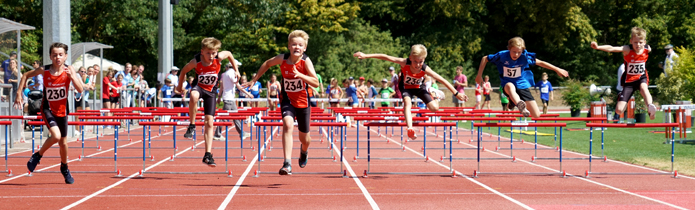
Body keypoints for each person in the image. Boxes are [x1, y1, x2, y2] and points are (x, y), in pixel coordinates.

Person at [353, 44, 468, 140]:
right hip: (406, 88)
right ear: (410, 58)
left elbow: (441, 79)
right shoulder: (404, 62)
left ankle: (434, 94)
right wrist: (366, 55)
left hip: (419, 88)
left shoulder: (425, 68)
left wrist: (457, 93)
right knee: (407, 103)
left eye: (421, 62)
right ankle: (410, 128)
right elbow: (386, 57)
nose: (418, 65)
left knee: (434, 108)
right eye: (415, 62)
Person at [245, 30, 319, 175]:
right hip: (287, 100)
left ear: (304, 48)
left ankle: (304, 151)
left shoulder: (306, 61)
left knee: (304, 138)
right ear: (289, 46)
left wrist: (301, 75)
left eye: (300, 45)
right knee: (287, 124)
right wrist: (255, 79)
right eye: (294, 44)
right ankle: (287, 163)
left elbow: (315, 82)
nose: (297, 47)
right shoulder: (282, 59)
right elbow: (267, 64)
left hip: (303, 102)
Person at [15, 42, 84, 184]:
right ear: (50, 56)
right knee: (56, 136)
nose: (57, 57)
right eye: (54, 55)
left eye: (60, 55)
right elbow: (25, 75)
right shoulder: (44, 70)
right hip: (48, 109)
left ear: (65, 56)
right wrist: (18, 93)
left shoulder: (69, 69)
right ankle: (38, 155)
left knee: (63, 143)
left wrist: (72, 77)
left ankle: (64, 168)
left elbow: (80, 90)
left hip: (63, 110)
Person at [176, 37, 239, 167]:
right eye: (208, 53)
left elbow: (229, 54)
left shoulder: (219, 58)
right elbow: (183, 71)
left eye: (214, 53)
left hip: (211, 92)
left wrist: (236, 70)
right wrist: (179, 86)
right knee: (193, 96)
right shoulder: (196, 61)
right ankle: (192, 125)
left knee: (209, 122)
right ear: (202, 52)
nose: (211, 56)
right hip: (199, 87)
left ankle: (207, 154)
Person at [477, 37, 569, 118]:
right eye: (514, 52)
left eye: (519, 52)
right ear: (509, 49)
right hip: (507, 84)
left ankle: (513, 102)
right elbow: (485, 58)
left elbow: (540, 62)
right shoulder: (502, 55)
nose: (516, 55)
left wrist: (557, 69)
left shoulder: (525, 56)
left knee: (536, 115)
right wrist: (479, 75)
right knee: (510, 86)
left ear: (522, 51)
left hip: (522, 85)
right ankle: (520, 105)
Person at [591, 27, 657, 120]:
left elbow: (648, 48)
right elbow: (612, 48)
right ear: (631, 41)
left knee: (644, 88)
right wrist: (598, 47)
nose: (638, 45)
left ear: (644, 42)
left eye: (640, 42)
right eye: (635, 42)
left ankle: (650, 107)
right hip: (629, 81)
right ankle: (623, 104)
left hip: (641, 77)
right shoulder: (627, 49)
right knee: (619, 110)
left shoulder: (647, 49)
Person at [214, 62, 250, 140]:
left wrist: (219, 96)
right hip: (229, 98)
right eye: (237, 66)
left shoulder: (225, 74)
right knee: (224, 117)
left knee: (235, 116)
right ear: (234, 66)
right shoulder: (231, 73)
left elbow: (222, 87)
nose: (237, 68)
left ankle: (241, 132)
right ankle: (217, 134)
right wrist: (248, 94)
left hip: (229, 98)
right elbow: (237, 85)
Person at [74, 67, 91, 133]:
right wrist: (86, 86)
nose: (83, 73)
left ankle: (83, 127)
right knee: (78, 114)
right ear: (79, 71)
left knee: (88, 113)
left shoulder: (87, 77)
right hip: (78, 97)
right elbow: (82, 85)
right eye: (82, 71)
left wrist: (87, 85)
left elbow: (90, 85)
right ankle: (78, 130)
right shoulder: (77, 76)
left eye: (84, 72)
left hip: (85, 98)